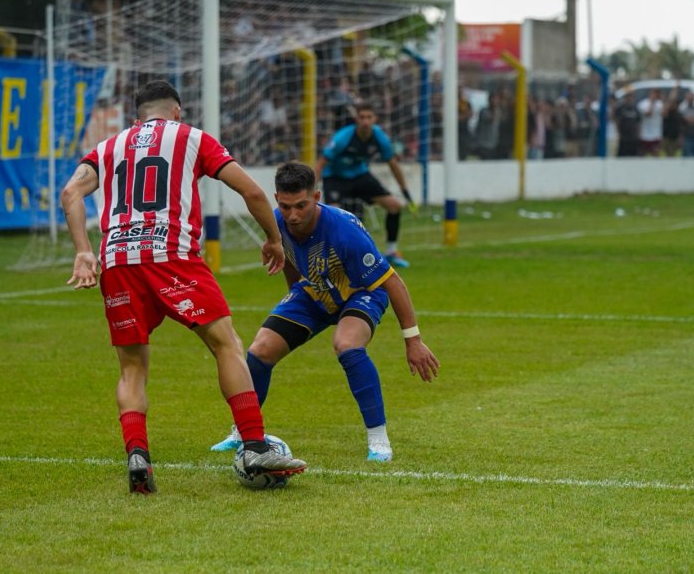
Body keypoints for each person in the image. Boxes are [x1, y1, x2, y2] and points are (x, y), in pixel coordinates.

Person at [61, 80, 307, 494]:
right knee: (225, 344)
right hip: (171, 255)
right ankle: (253, 446)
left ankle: (137, 454)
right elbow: (250, 190)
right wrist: (273, 238)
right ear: (176, 111)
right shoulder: (191, 137)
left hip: (118, 260)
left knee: (132, 368)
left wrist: (84, 251)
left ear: (137, 116)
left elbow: (70, 193)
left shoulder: (108, 147)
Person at [210, 162, 440, 462]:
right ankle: (242, 432)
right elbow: (286, 254)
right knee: (260, 350)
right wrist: (293, 294)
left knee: (346, 345)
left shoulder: (345, 231)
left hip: (360, 293)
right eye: (285, 206)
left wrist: (413, 340)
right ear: (276, 198)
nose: (293, 215)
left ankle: (378, 438)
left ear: (316, 197)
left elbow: (393, 283)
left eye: (301, 206)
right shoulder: (276, 221)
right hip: (314, 291)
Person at [314, 101, 415, 268]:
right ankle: (331, 257)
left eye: (369, 117)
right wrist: (311, 192)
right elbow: (321, 163)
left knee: (394, 206)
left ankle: (391, 252)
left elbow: (393, 164)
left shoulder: (380, 137)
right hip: (336, 177)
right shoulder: (342, 137)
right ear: (357, 119)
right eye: (362, 117)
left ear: (375, 119)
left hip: (360, 175)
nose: (366, 121)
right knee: (333, 216)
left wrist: (404, 190)